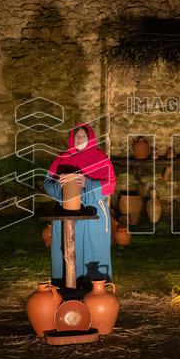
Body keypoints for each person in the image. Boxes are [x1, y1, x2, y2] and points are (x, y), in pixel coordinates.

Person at [43, 123, 115, 287]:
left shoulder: (101, 159)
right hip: (65, 212)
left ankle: (96, 292)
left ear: (90, 139)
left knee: (92, 250)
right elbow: (47, 183)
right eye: (77, 136)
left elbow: (110, 185)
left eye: (83, 136)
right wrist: (60, 187)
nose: (80, 139)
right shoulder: (62, 159)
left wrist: (87, 183)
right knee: (65, 250)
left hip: (93, 212)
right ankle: (65, 288)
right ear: (71, 139)